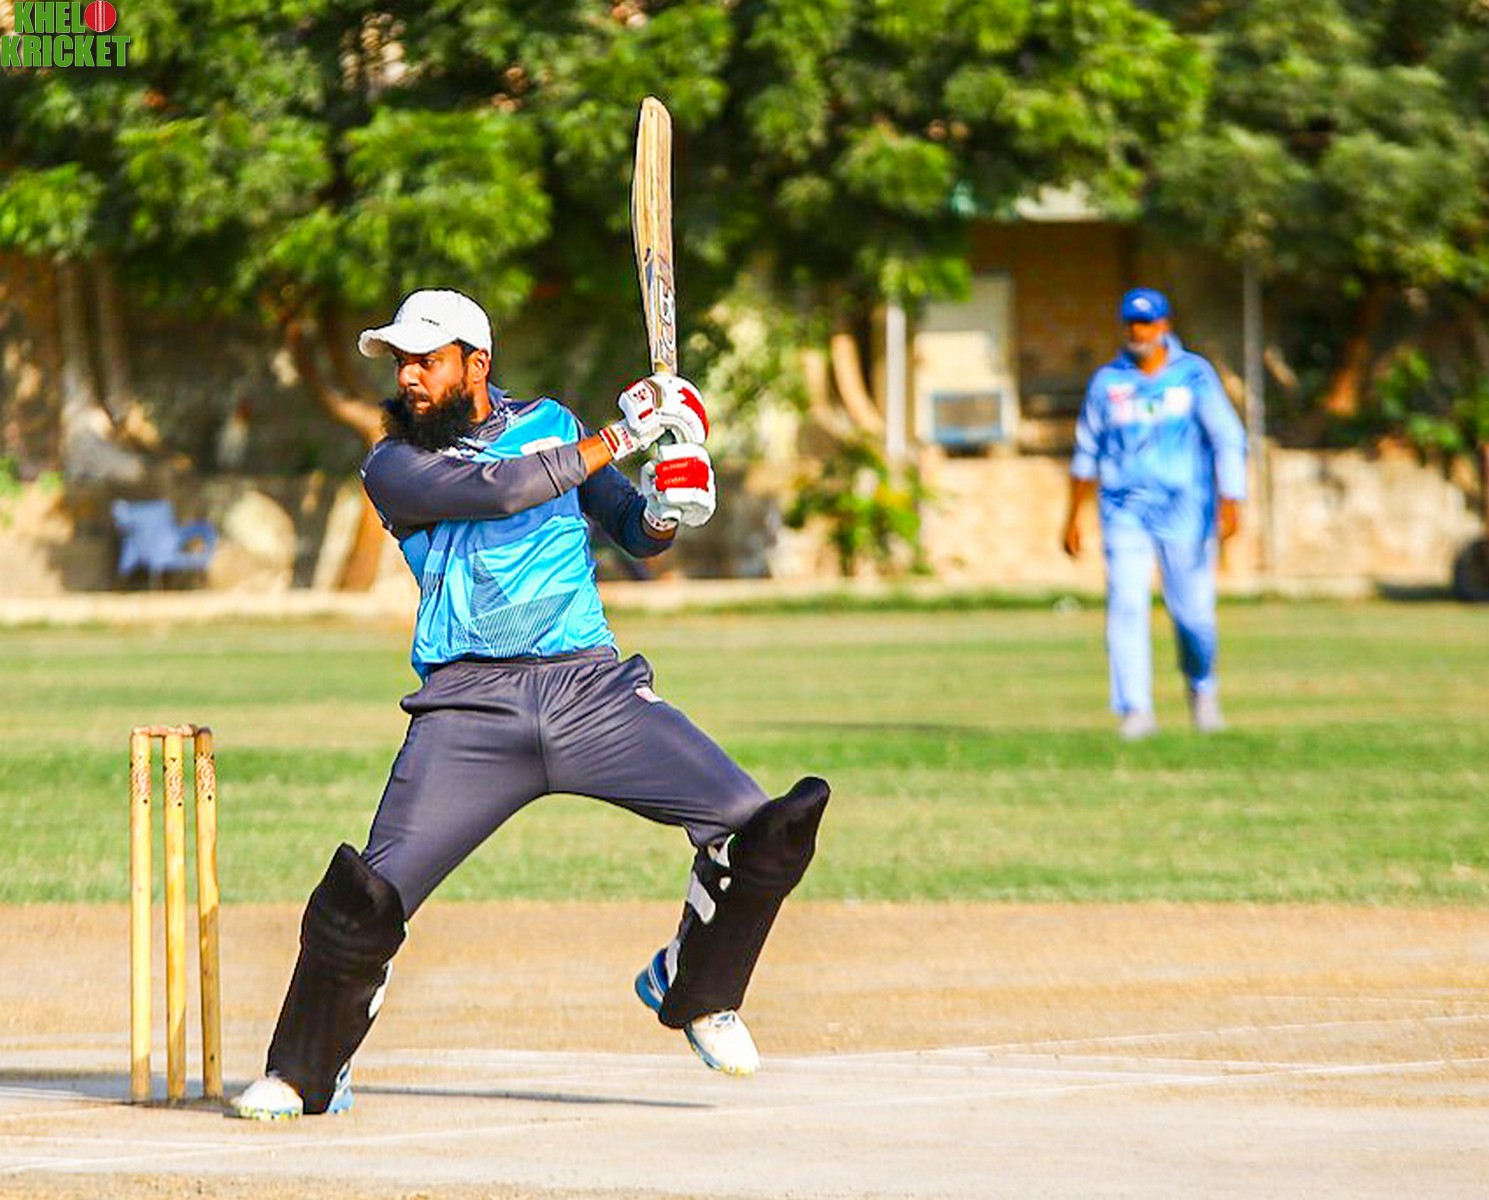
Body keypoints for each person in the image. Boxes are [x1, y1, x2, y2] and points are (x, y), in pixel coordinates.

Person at [231, 289, 830, 1119]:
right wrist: (623, 434)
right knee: (364, 898)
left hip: (590, 692)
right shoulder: (394, 466)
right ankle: (306, 1073)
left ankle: (695, 988)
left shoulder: (552, 423)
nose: (407, 377)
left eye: (426, 360)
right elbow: (501, 491)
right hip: (469, 711)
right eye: (401, 362)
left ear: (476, 363)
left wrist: (666, 504)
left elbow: (628, 528)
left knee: (765, 828)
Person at [1060, 287, 1247, 739]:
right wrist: (1072, 517)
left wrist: (1231, 498)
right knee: (1126, 605)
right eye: (1130, 323)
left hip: (1186, 509)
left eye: (1145, 323)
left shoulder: (1193, 376)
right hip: (1124, 509)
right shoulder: (1108, 383)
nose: (1137, 331)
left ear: (1164, 325)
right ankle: (1135, 709)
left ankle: (1202, 688)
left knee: (1193, 615)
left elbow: (1227, 438)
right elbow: (1086, 451)